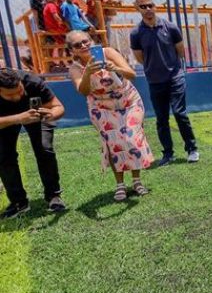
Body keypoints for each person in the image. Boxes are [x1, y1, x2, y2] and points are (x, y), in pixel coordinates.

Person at [66, 30, 154, 201]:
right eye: (78, 45)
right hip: (101, 106)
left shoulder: (108, 53)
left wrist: (116, 68)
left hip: (128, 101)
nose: (84, 46)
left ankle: (137, 181)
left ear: (92, 41)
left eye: (86, 41)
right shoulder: (75, 69)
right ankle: (120, 185)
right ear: (72, 51)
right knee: (113, 143)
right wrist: (88, 73)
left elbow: (132, 74)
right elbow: (83, 91)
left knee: (132, 137)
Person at [129, 0, 199, 166]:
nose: (147, 9)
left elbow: (180, 51)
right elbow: (140, 58)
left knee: (179, 113)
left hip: (175, 77)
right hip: (154, 81)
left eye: (150, 5)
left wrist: (172, 68)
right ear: (137, 8)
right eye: (143, 6)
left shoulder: (171, 27)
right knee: (161, 119)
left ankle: (192, 149)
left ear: (155, 6)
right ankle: (168, 154)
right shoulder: (136, 33)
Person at [0, 68, 66, 218]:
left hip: (37, 116)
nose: (17, 96)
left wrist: (51, 114)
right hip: (5, 120)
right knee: (4, 156)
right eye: (10, 95)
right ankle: (18, 202)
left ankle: (53, 195)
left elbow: (59, 107)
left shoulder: (32, 81)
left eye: (19, 91)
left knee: (44, 148)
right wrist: (18, 118)